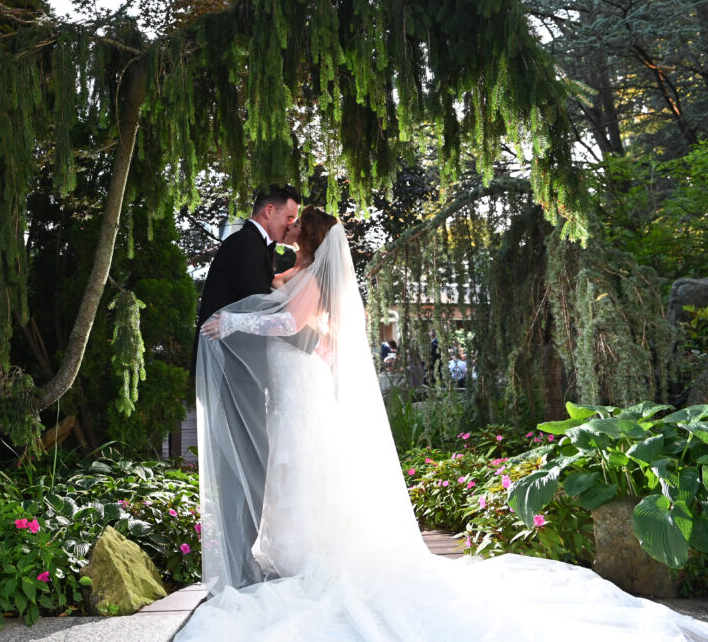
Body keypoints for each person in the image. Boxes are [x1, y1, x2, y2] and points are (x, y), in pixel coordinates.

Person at [180, 214, 708, 641]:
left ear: (311, 241)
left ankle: (307, 554)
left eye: (296, 229)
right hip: (295, 384)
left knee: (302, 462)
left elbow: (289, 322)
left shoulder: (315, 280)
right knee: (293, 465)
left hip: (300, 386)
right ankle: (295, 550)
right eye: (288, 224)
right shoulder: (299, 275)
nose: (289, 232)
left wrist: (234, 320)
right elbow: (288, 305)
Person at [193, 184, 300, 590]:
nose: (291, 225)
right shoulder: (242, 244)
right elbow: (258, 302)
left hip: (244, 372)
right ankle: (238, 568)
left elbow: (261, 289)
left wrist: (292, 276)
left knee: (252, 463)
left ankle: (243, 562)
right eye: (288, 217)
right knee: (242, 466)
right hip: (231, 372)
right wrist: (303, 290)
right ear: (269, 211)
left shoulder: (259, 248)